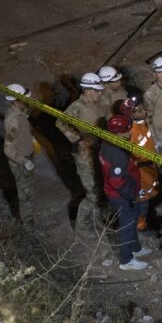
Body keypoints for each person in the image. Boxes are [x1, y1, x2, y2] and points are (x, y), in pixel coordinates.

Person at [56, 72, 108, 236]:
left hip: (100, 152)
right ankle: (81, 228)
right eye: (97, 90)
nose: (100, 93)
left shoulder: (99, 103)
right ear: (87, 90)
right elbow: (60, 122)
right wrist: (78, 140)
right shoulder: (78, 106)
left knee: (100, 188)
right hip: (85, 156)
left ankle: (96, 220)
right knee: (92, 194)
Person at [99, 115, 152, 270]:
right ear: (119, 133)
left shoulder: (107, 142)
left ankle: (136, 248)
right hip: (121, 195)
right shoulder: (117, 153)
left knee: (133, 219)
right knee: (127, 225)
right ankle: (126, 260)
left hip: (125, 191)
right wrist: (131, 195)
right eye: (128, 130)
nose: (130, 132)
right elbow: (117, 181)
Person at [119, 93, 159, 235]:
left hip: (150, 166)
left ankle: (146, 219)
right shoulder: (130, 132)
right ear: (130, 115)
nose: (144, 112)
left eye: (143, 108)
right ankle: (140, 227)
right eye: (139, 110)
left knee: (149, 196)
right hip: (141, 172)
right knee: (142, 200)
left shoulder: (143, 125)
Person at [3, 83, 38, 228]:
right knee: (26, 195)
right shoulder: (13, 120)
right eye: (24, 99)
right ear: (16, 100)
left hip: (26, 157)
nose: (28, 101)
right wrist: (24, 161)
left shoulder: (20, 114)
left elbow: (20, 134)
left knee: (29, 190)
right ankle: (28, 226)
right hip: (20, 162)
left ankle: (28, 221)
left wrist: (30, 138)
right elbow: (8, 149)